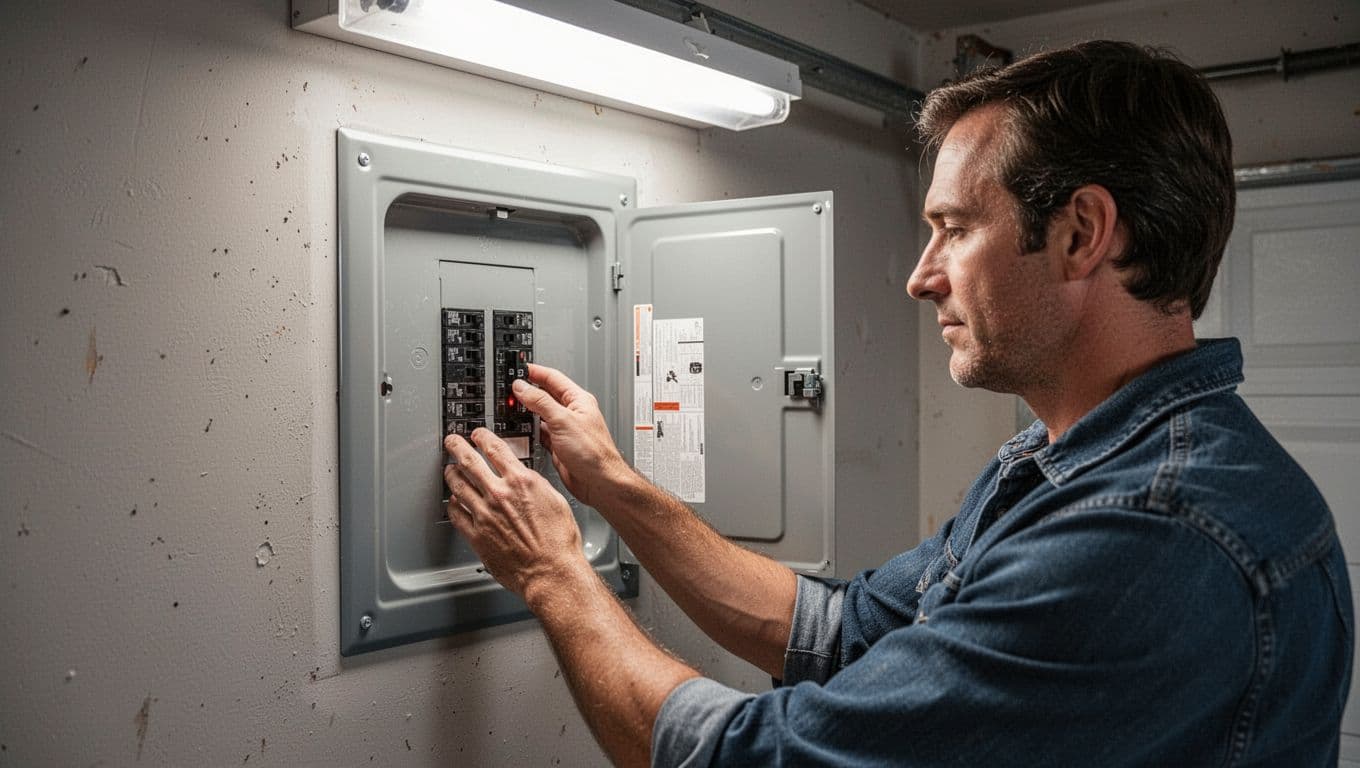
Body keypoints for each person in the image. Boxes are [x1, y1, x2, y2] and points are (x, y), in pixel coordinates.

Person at [440, 40, 1353, 766]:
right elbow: (842, 634)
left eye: (955, 229)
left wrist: (556, 573)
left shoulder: (1148, 532)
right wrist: (610, 486)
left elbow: (758, 760)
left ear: (1081, 234)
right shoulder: (1068, 459)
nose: (921, 278)